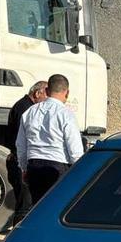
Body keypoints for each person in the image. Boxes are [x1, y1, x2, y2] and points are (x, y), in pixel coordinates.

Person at [17, 74, 84, 204]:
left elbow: (21, 144)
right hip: (57, 167)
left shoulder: (29, 112)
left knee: (37, 207)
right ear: (67, 93)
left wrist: (24, 168)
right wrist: (79, 171)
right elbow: (74, 149)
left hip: (34, 165)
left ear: (47, 91)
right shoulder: (66, 114)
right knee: (56, 207)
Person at [6, 81, 47, 221]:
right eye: (46, 96)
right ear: (37, 93)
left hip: (19, 160)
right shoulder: (26, 109)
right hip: (20, 162)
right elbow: (23, 140)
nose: (46, 102)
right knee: (25, 205)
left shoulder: (24, 106)